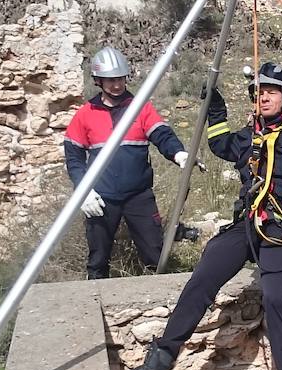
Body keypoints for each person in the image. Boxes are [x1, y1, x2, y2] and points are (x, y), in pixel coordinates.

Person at [114, 34, 282, 370]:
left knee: (276, 296)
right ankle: (158, 366)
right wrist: (215, 108)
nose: (264, 98)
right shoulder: (249, 138)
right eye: (259, 92)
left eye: (272, 92)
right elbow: (218, 144)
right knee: (204, 276)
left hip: (281, 231)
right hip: (249, 226)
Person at [64, 46, 189, 279]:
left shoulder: (140, 107)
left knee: (155, 254)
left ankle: (165, 304)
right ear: (98, 81)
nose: (117, 85)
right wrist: (84, 191)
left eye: (120, 78)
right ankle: (93, 304)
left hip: (138, 195)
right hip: (101, 197)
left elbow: (162, 134)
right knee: (98, 259)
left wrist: (178, 154)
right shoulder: (85, 114)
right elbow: (74, 158)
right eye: (110, 80)